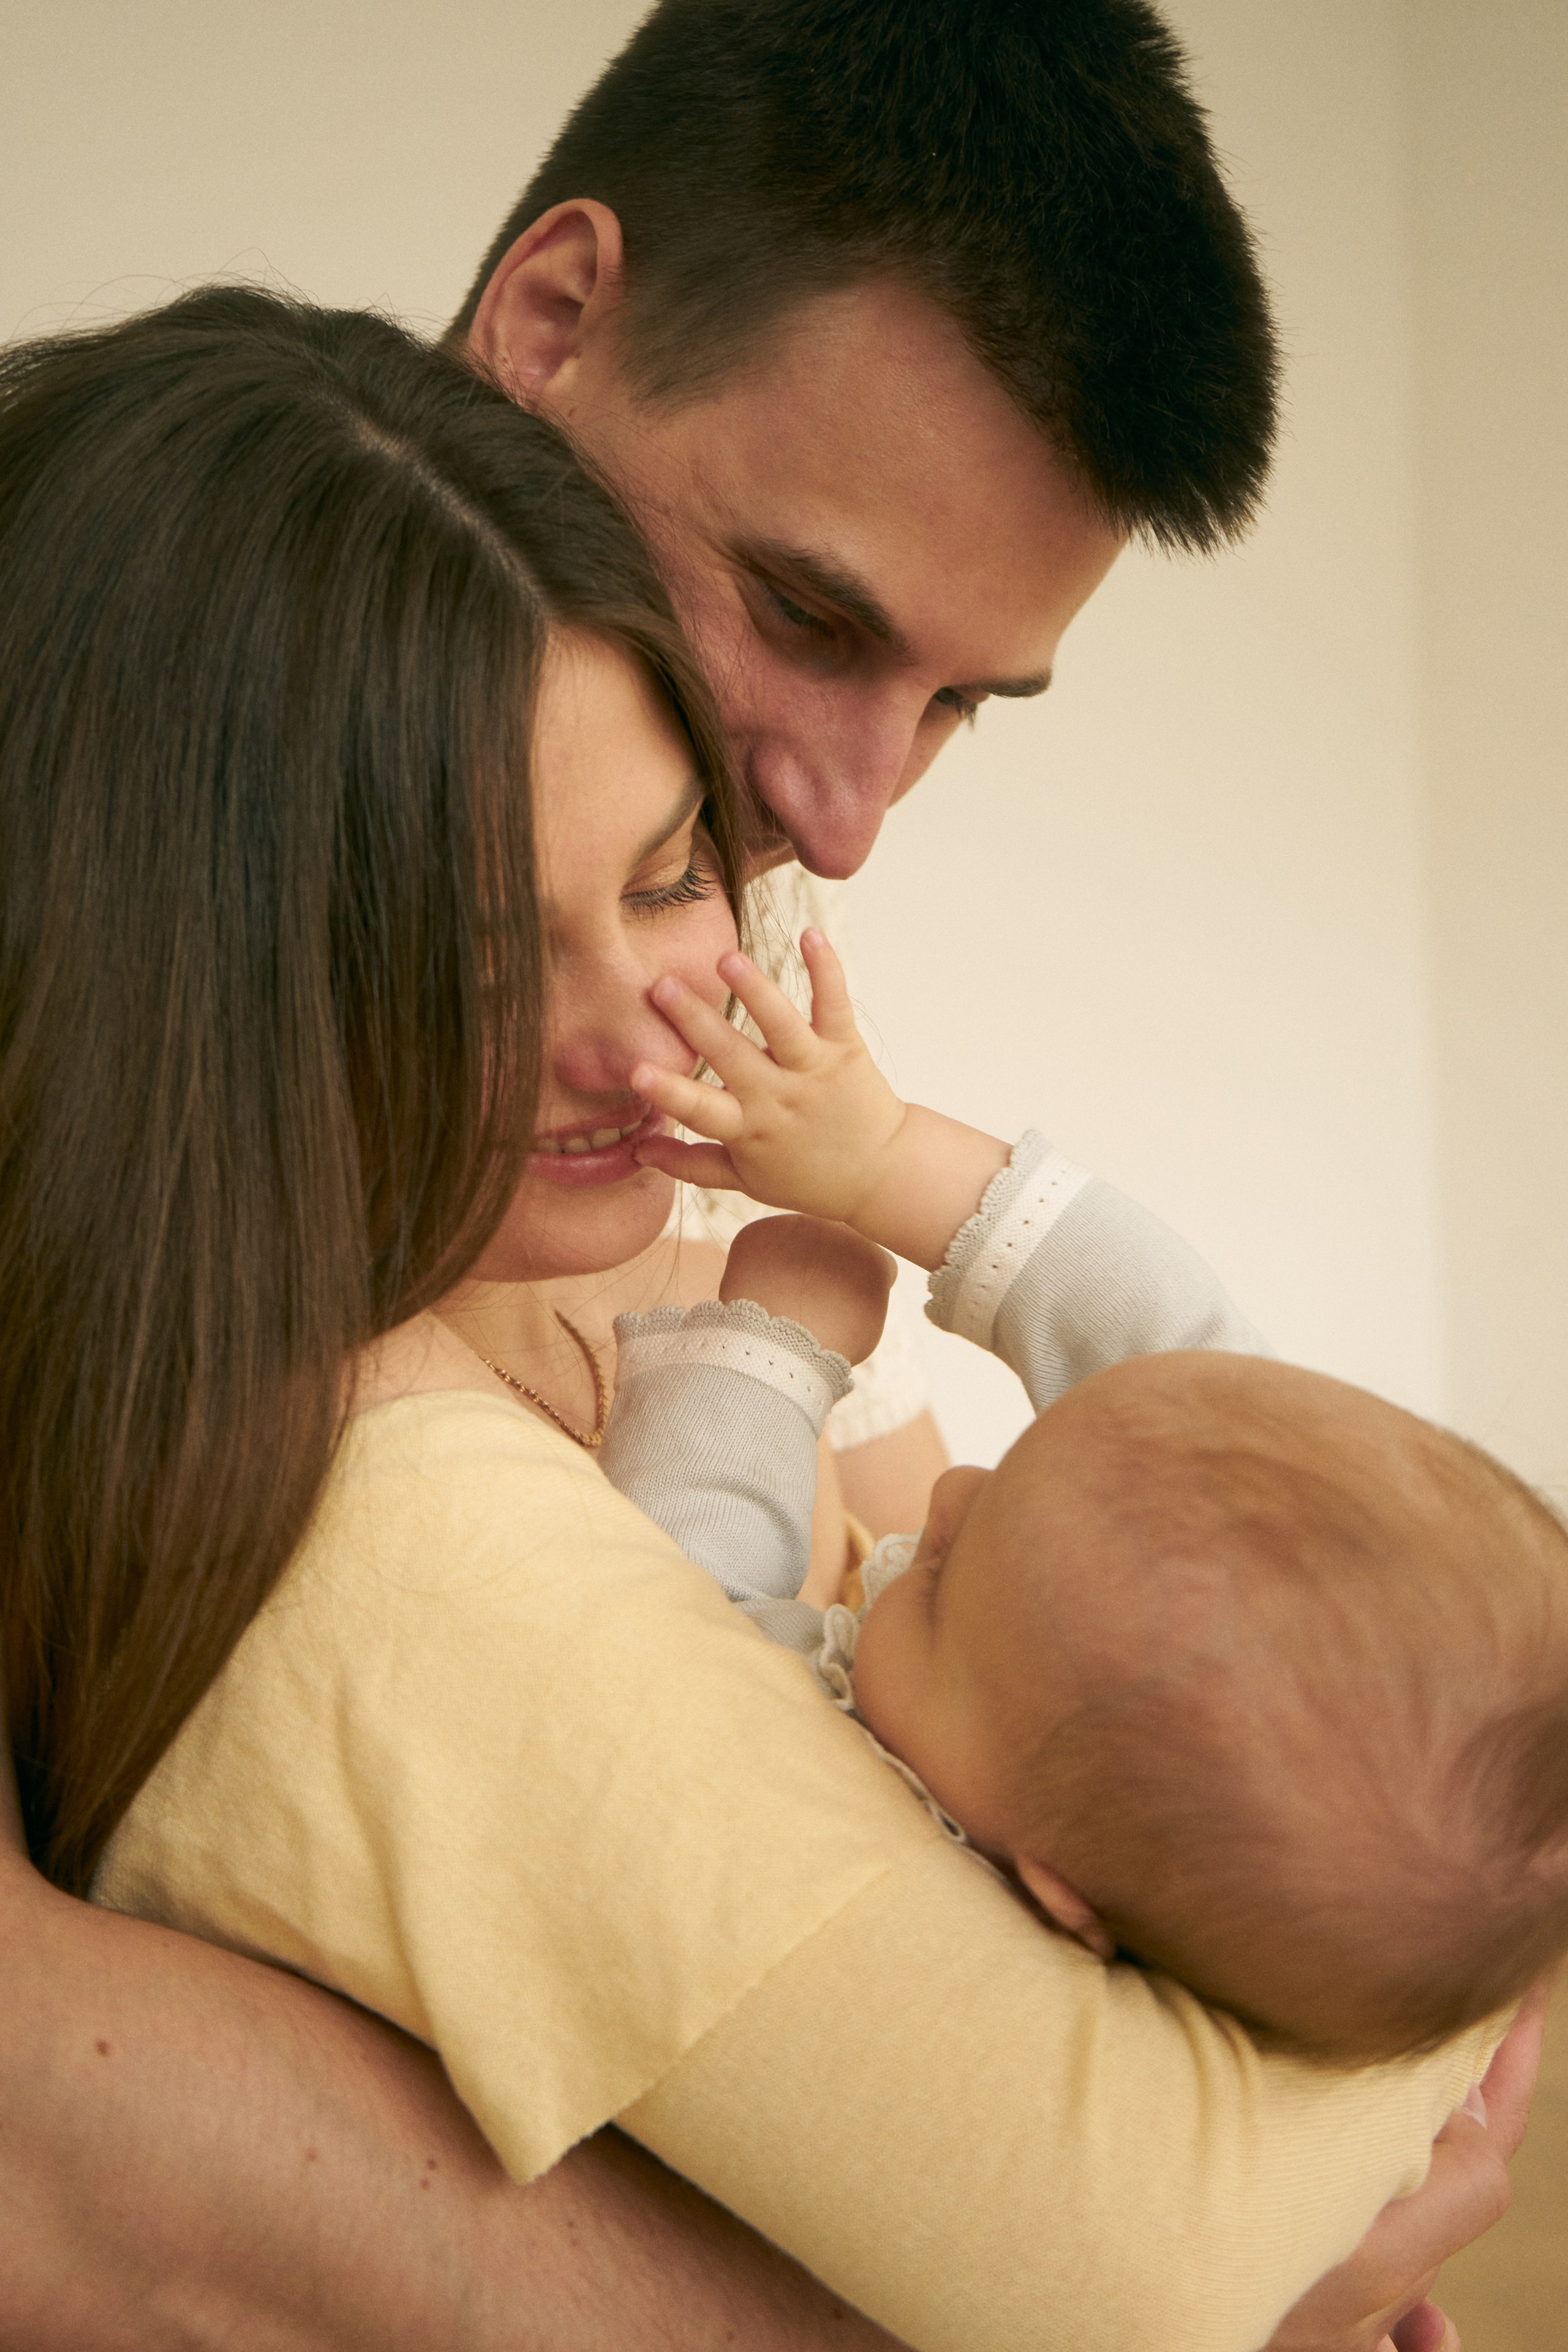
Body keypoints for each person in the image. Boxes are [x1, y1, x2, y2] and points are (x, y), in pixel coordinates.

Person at [0, 0, 1538, 2339]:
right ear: (550, 326)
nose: (840, 815)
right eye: (812, 618)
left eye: (956, 708)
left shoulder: (707, 998)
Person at [593, 937, 1568, 2064]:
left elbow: (678, 1602)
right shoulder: (1094, 1782)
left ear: (1053, 1900)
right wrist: (882, 1160)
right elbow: (1169, 1348)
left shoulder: (871, 1810)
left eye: (945, 1580)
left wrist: (772, 1342)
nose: (950, 1493)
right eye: (1002, 1477)